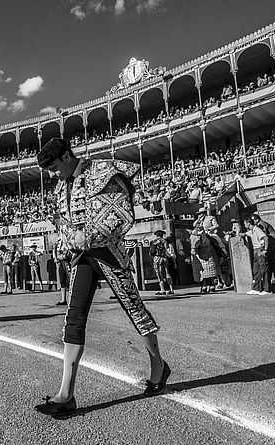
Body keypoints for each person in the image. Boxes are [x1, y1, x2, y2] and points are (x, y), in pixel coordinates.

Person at [34, 138, 168, 418]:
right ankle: (65, 395)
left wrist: (87, 236)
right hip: (82, 258)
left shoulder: (104, 172)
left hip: (109, 253)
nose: (54, 175)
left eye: (55, 167)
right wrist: (65, 243)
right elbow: (65, 224)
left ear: (67, 156)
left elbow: (123, 216)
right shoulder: (62, 186)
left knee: (134, 309)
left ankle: (158, 366)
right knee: (74, 318)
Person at [243, 217, 271, 295]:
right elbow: (245, 234)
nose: (244, 225)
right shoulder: (251, 231)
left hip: (260, 249)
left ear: (249, 224)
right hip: (255, 250)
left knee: (263, 269)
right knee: (256, 270)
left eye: (245, 224)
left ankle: (267, 289)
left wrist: (265, 249)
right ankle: (256, 288)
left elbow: (265, 238)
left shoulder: (258, 230)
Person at [150, 230, 174, 295]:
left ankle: (162, 290)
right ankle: (171, 289)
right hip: (165, 258)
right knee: (167, 273)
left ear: (156, 235)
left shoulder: (153, 242)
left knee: (159, 274)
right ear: (162, 235)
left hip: (157, 258)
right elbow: (167, 249)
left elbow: (152, 252)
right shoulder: (165, 241)